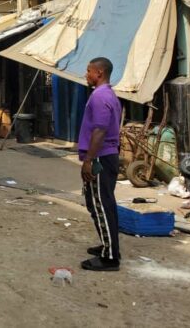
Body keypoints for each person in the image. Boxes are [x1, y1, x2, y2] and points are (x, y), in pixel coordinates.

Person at [79, 57, 122, 272]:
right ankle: (107, 246)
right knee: (98, 203)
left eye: (89, 71)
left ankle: (110, 257)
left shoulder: (100, 96)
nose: (86, 74)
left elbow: (100, 131)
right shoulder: (107, 94)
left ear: (99, 73)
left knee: (102, 205)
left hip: (101, 157)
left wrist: (88, 160)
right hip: (105, 155)